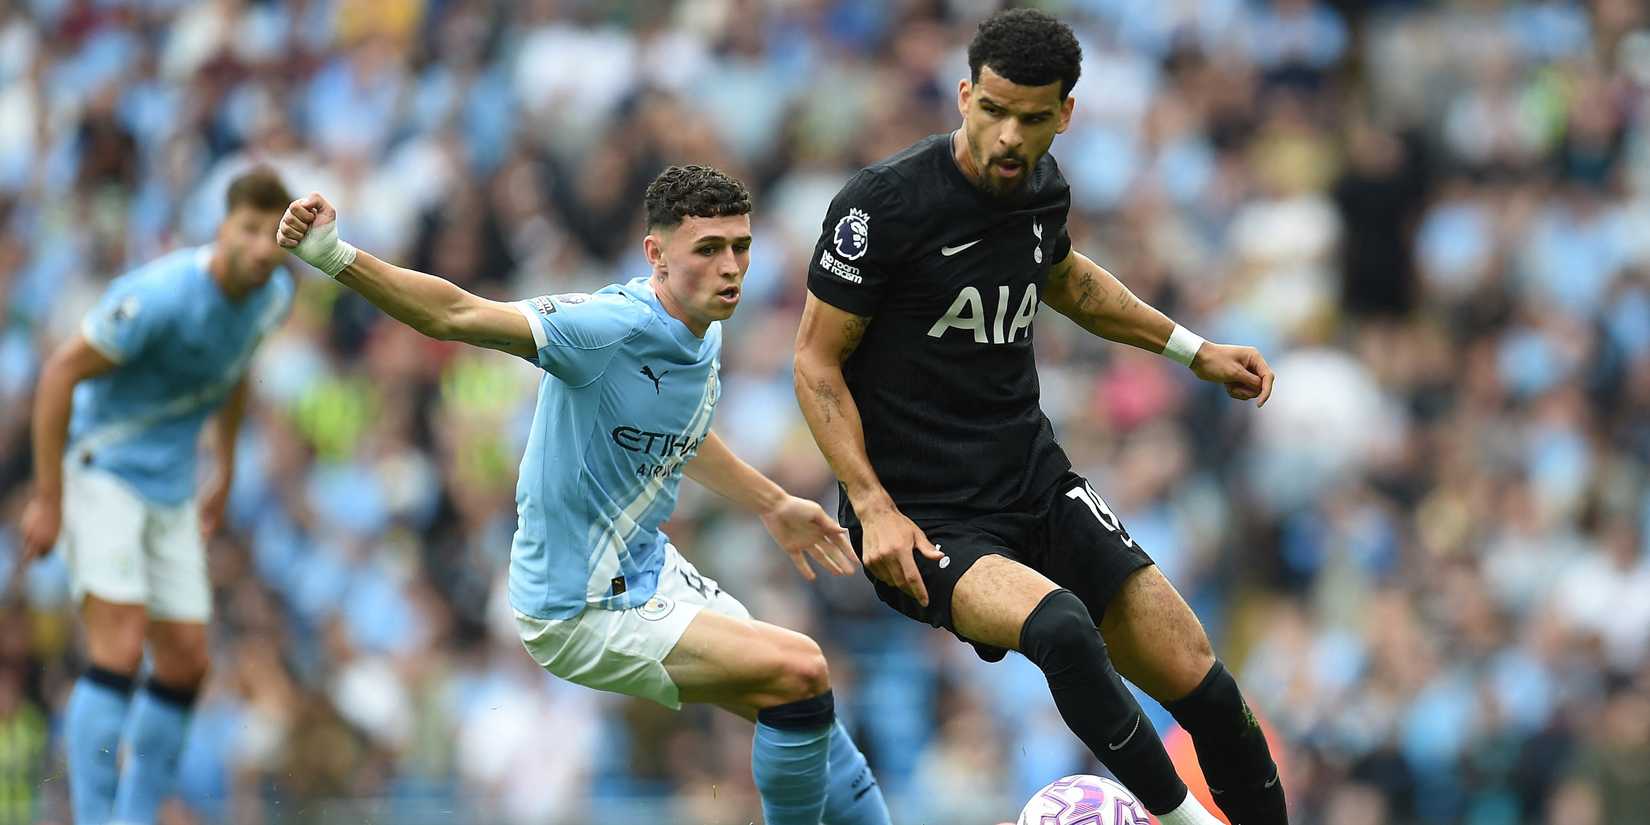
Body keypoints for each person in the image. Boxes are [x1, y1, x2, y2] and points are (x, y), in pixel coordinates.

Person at [275, 165, 891, 825]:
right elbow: (453, 314)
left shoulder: (703, 330)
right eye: (708, 249)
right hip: (577, 606)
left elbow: (679, 431)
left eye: (740, 246)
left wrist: (772, 503)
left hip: (649, 572)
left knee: (807, 713)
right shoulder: (605, 328)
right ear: (655, 254)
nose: (731, 266)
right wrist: (334, 256)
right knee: (801, 667)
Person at [793, 10, 1287, 825]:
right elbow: (813, 363)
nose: (1007, 136)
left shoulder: (1042, 189)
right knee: (1061, 627)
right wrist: (873, 506)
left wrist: (1194, 350)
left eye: (1030, 117)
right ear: (964, 95)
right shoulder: (883, 206)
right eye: (992, 109)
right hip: (927, 515)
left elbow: (1062, 278)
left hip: (1033, 478)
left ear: (1064, 114)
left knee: (1204, 681)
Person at [18, 168, 297, 825]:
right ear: (222, 229)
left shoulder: (272, 297)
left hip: (171, 487)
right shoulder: (159, 297)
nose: (261, 247)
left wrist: (224, 465)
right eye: (249, 229)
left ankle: (134, 817)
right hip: (103, 468)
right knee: (117, 647)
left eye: (273, 234)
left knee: (187, 660)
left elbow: (236, 372)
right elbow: (60, 373)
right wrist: (48, 498)